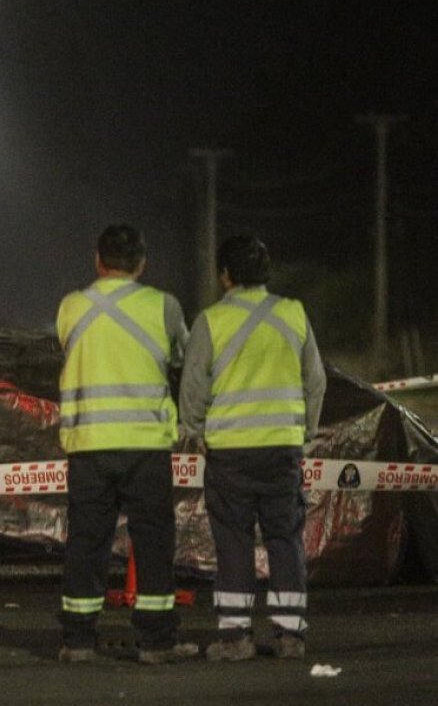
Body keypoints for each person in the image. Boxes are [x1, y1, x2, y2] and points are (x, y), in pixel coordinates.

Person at [179, 235, 326, 662]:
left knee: (233, 543)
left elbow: (192, 387)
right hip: (282, 451)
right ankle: (290, 636)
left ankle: (235, 639)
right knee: (285, 539)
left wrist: (196, 430)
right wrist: (305, 434)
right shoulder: (294, 313)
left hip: (229, 454)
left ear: (225, 275)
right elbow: (315, 381)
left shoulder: (211, 321)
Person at [56, 224, 197, 665]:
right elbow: (182, 359)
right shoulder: (164, 306)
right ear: (142, 263)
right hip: (145, 446)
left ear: (98, 261)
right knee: (153, 542)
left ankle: (77, 640)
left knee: (86, 542)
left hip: (89, 444)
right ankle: (157, 642)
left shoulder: (70, 307)